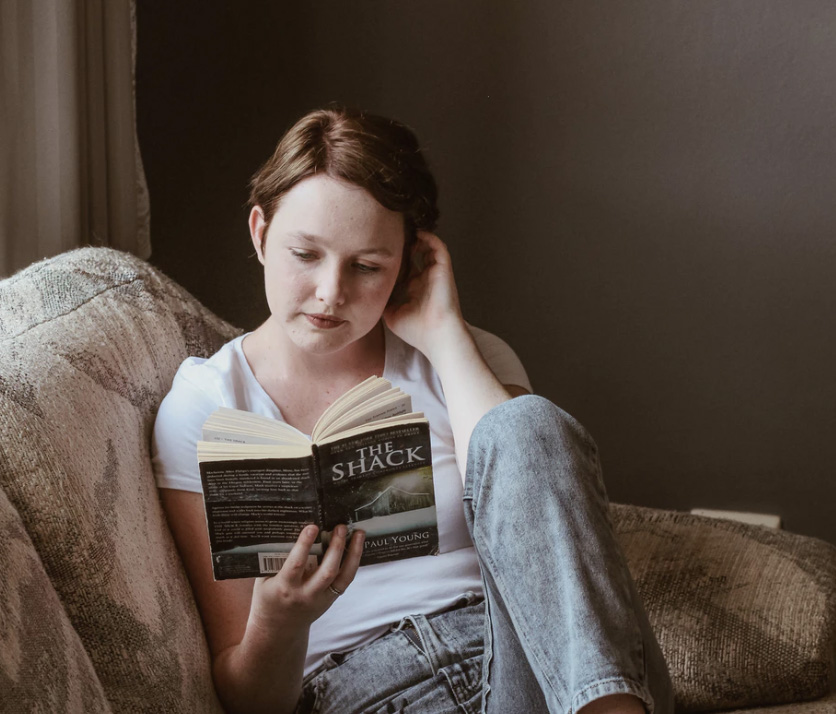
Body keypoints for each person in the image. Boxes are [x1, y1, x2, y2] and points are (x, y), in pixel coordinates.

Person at [152, 106, 674, 714]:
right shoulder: (207, 404)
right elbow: (251, 701)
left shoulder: (464, 360)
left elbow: (532, 495)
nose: (330, 292)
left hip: (527, 668)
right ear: (261, 233)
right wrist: (278, 619)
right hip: (362, 691)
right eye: (305, 254)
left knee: (525, 422)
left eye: (367, 266)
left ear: (409, 261)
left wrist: (447, 335)